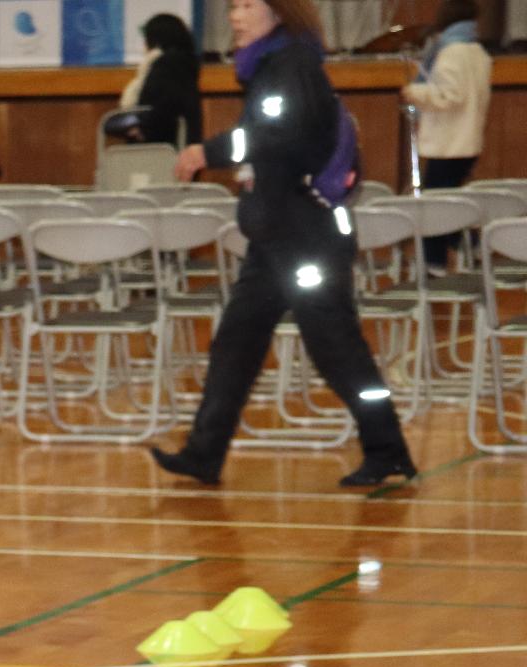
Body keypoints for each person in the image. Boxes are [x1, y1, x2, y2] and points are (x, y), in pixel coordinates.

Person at [150, 0, 419, 490]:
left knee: (336, 349)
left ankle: (388, 451)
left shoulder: (292, 67)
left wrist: (206, 152)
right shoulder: (273, 67)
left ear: (277, 13)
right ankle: (203, 454)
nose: (234, 16)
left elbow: (277, 139)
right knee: (236, 344)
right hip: (277, 238)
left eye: (247, 5)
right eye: (231, 6)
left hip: (306, 238)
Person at [403, 0, 492, 269]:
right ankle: (468, 244)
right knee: (449, 202)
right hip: (467, 140)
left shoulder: (451, 52)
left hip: (448, 142)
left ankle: (434, 262)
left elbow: (450, 96)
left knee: (436, 209)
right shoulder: (477, 51)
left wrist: (414, 93)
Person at [116, 13, 204, 146]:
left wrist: (141, 130)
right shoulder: (186, 65)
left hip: (158, 150)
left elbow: (162, 109)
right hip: (182, 147)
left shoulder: (165, 67)